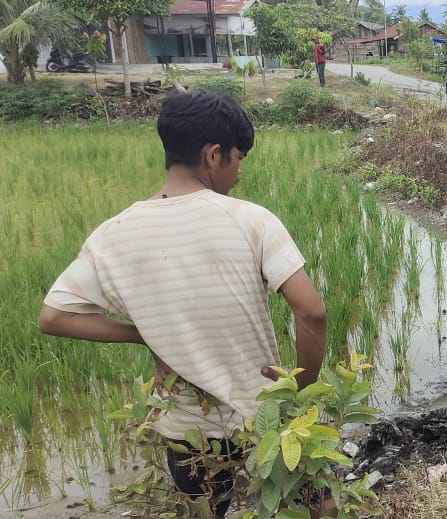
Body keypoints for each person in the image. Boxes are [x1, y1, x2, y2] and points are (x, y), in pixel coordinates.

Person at [38, 92, 328, 516]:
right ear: (213, 155)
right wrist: (301, 395)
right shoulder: (250, 220)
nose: (240, 170)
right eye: (238, 158)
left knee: (207, 510)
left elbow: (53, 316)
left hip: (186, 434)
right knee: (317, 504)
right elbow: (311, 311)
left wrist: (147, 336)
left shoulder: (113, 234)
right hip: (263, 419)